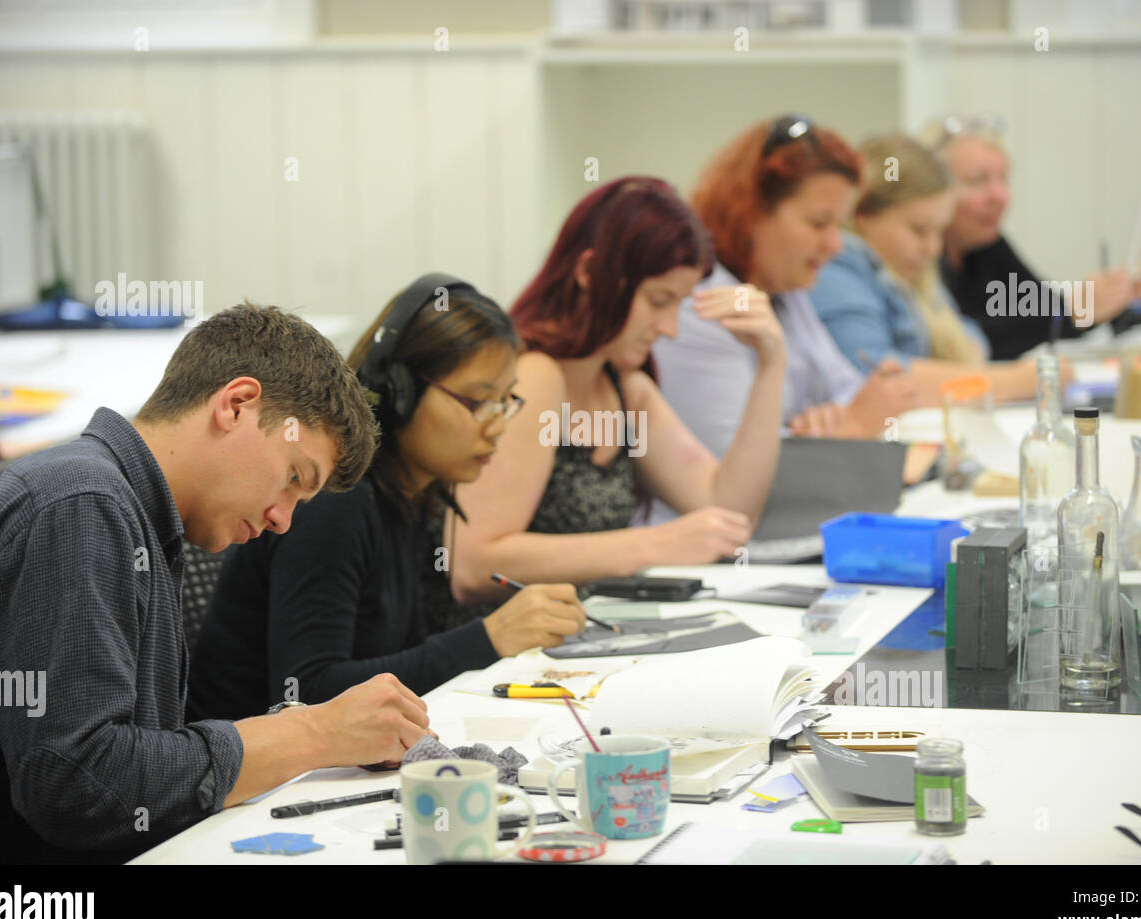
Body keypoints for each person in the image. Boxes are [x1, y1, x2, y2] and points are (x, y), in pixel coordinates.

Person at [0, 303, 435, 863]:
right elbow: (78, 786)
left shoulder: (130, 513)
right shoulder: (85, 505)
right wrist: (314, 736)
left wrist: (289, 734)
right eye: (294, 478)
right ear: (237, 405)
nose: (283, 520)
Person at [187, 277, 586, 721]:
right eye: (477, 401)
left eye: (504, 401)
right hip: (256, 779)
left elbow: (399, 657)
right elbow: (307, 690)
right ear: (400, 393)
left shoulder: (412, 492)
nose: (497, 425)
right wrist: (487, 639)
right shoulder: (334, 499)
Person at [435, 177, 786, 609]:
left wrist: (772, 366)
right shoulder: (536, 377)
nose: (670, 328)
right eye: (658, 300)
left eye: (677, 304)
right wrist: (652, 545)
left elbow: (729, 513)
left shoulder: (623, 390)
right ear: (588, 272)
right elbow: (472, 564)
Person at [652, 115, 919, 455]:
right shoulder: (698, 306)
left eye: (839, 224)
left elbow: (846, 388)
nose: (835, 245)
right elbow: (730, 475)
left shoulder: (784, 288)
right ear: (750, 212)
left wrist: (834, 420)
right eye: (818, 223)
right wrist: (851, 429)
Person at [811, 134, 1058, 405]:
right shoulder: (837, 266)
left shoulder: (910, 274)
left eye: (939, 230)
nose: (933, 249)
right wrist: (1018, 381)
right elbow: (873, 375)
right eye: (919, 229)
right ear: (863, 215)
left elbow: (970, 338)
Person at [928, 115, 1141, 360]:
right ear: (932, 189)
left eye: (1003, 179)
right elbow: (961, 343)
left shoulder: (986, 245)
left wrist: (1115, 298)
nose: (1000, 196)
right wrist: (1077, 310)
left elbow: (1044, 306)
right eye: (978, 181)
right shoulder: (922, 256)